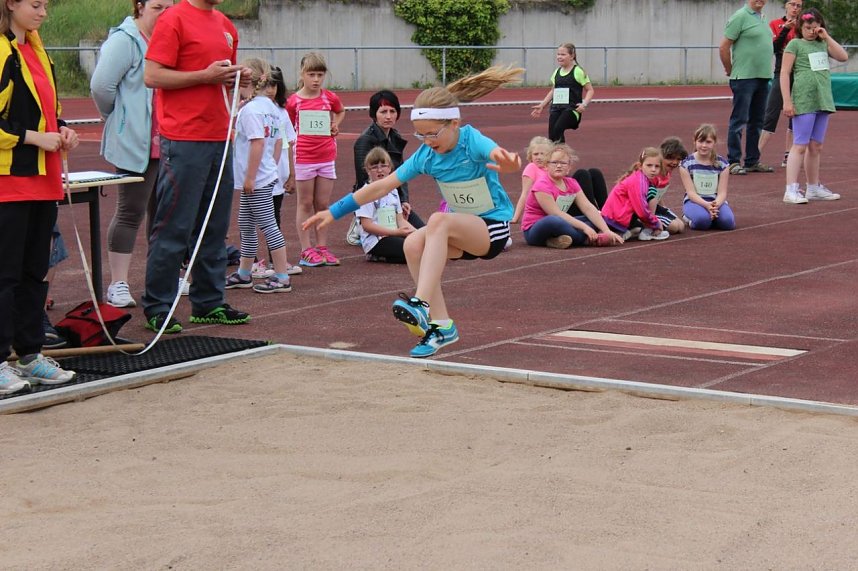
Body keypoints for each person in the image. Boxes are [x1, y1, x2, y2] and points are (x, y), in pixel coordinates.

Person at [303, 65, 524, 358]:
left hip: (490, 228)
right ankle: (442, 326)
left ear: (454, 123)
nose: (428, 141)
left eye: (433, 134)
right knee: (412, 243)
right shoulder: (427, 155)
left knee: (438, 219)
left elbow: (498, 154)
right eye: (421, 135)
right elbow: (381, 187)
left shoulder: (472, 141)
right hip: (458, 232)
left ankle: (419, 304)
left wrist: (509, 164)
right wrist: (334, 211)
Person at [142, 0, 252, 333]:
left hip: (220, 135)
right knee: (175, 224)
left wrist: (236, 77)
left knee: (215, 226)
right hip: (184, 137)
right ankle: (158, 305)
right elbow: (152, 75)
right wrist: (205, 76)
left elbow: (223, 80)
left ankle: (208, 302)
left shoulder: (225, 25)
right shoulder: (173, 19)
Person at [0, 0, 80, 394]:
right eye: (35, 4)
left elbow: (47, 110)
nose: (44, 12)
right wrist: (34, 138)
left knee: (34, 272)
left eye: (46, 4)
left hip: (43, 180)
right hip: (7, 181)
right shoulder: (2, 51)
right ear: (10, 3)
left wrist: (62, 129)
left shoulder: (37, 49)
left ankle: (30, 355)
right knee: (4, 275)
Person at [90, 0, 172, 309]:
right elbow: (101, 87)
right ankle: (118, 283)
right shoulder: (125, 40)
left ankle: (162, 277)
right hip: (136, 140)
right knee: (131, 210)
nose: (164, 13)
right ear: (140, 6)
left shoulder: (168, 39)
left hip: (168, 139)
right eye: (158, 6)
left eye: (169, 7)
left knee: (165, 213)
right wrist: (119, 117)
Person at [224, 58, 296, 294]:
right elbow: (276, 141)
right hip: (263, 174)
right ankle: (244, 272)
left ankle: (282, 275)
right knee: (246, 223)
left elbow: (257, 142)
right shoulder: (271, 108)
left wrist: (251, 177)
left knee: (268, 225)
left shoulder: (251, 110)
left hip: (257, 178)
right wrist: (269, 167)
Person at [781, 8, 848, 204]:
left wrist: (826, 36)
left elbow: (843, 56)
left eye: (815, 27)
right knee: (800, 145)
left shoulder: (823, 43)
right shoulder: (795, 44)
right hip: (804, 99)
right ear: (800, 28)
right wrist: (787, 100)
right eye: (807, 28)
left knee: (816, 146)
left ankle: (813, 187)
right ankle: (791, 189)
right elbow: (784, 73)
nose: (811, 31)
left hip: (822, 99)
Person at [286, 52, 345, 267]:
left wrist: (335, 124)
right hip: (304, 157)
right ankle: (306, 249)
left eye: (320, 75)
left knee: (322, 203)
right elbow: (289, 126)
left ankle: (322, 247)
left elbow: (340, 111)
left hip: (326, 156)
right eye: (311, 74)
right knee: (304, 203)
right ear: (302, 74)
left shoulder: (329, 97)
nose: (316, 79)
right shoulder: (294, 101)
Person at [349, 89, 423, 246]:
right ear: (374, 114)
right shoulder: (365, 141)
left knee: (422, 230)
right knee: (403, 241)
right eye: (383, 112)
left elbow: (402, 174)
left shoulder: (395, 137)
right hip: (372, 200)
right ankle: (360, 222)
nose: (388, 116)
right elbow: (363, 181)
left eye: (392, 111)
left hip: (392, 198)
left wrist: (403, 201)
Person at [521, 144, 623, 249]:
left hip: (562, 223)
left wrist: (607, 230)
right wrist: (585, 228)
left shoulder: (571, 183)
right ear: (546, 166)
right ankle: (588, 240)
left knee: (598, 216)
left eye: (563, 163)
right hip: (535, 229)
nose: (559, 166)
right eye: (554, 162)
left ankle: (556, 240)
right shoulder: (541, 185)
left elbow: (587, 207)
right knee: (554, 220)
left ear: (569, 168)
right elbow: (556, 213)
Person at [251, 65, 301, 279]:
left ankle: (276, 260)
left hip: (276, 174)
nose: (271, 90)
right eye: (267, 85)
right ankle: (252, 262)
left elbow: (287, 143)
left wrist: (291, 174)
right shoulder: (252, 110)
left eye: (275, 85)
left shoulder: (281, 112)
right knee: (251, 219)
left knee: (274, 218)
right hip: (257, 173)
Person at [719, 0, 776, 175]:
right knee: (739, 119)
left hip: (763, 77)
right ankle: (734, 161)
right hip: (744, 78)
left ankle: (752, 160)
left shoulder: (762, 18)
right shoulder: (740, 17)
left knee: (757, 121)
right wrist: (729, 69)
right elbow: (724, 46)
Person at [759, 0, 803, 168]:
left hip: (800, 73)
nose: (795, 8)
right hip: (781, 71)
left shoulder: (804, 25)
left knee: (796, 114)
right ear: (786, 5)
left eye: (799, 6)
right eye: (792, 4)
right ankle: (755, 154)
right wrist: (785, 29)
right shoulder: (775, 24)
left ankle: (788, 154)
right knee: (771, 113)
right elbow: (773, 48)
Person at [354, 148, 417, 263]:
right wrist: (396, 233)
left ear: (390, 168)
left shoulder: (393, 190)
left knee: (421, 245)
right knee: (413, 252)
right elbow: (367, 226)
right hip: (376, 240)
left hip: (393, 234)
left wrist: (417, 234)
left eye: (383, 166)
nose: (379, 170)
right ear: (367, 171)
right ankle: (376, 254)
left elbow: (400, 220)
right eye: (374, 167)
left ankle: (385, 256)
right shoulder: (365, 193)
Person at [530, 43, 595, 143]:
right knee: (552, 136)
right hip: (556, 108)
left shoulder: (578, 71)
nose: (559, 57)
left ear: (572, 56)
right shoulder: (556, 72)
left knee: (558, 129)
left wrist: (584, 104)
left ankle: (561, 152)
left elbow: (590, 90)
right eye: (558, 54)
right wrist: (542, 105)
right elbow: (553, 91)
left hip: (572, 110)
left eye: (563, 54)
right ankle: (560, 152)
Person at [600, 148, 668, 241]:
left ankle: (629, 230)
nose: (653, 169)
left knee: (639, 226)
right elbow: (641, 210)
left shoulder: (641, 177)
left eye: (657, 166)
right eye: (649, 165)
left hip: (613, 217)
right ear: (640, 165)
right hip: (614, 220)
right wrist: (655, 223)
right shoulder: (638, 182)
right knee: (652, 192)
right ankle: (643, 231)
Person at [679, 124, 736, 231]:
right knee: (703, 222)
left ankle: (713, 217)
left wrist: (714, 206)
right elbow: (691, 193)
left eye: (708, 142)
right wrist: (706, 205)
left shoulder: (722, 164)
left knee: (728, 223)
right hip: (694, 202)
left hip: (716, 202)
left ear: (714, 142)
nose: (704, 145)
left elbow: (722, 192)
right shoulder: (686, 164)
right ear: (694, 141)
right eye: (701, 141)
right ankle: (688, 218)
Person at [645, 136, 688, 236]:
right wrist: (651, 219)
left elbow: (658, 195)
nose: (675, 162)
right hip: (645, 209)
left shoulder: (667, 173)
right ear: (661, 157)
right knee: (674, 227)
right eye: (670, 158)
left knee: (680, 226)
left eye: (678, 159)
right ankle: (642, 226)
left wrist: (664, 208)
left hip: (655, 207)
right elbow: (647, 197)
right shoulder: (654, 174)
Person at [511, 136, 552, 224]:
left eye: (543, 154)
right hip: (538, 210)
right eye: (535, 154)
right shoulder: (532, 168)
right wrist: (515, 218)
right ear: (531, 155)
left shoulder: (551, 169)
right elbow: (525, 194)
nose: (539, 157)